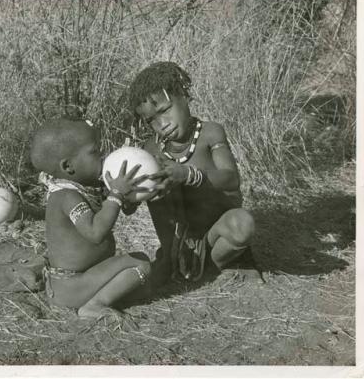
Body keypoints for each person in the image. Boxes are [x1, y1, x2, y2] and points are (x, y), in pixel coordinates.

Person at [128, 61, 262, 286]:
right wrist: (126, 194)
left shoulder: (210, 133)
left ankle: (226, 261)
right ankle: (176, 262)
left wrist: (189, 175)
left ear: (183, 96)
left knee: (243, 224)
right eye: (151, 120)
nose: (162, 123)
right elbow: (133, 203)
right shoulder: (150, 150)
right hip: (179, 243)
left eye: (164, 110)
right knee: (157, 186)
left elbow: (231, 179)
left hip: (216, 235)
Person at [30, 118, 152, 318]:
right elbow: (96, 233)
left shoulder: (77, 189)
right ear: (68, 166)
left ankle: (97, 297)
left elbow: (114, 211)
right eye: (94, 152)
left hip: (77, 282)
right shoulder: (67, 196)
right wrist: (116, 195)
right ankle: (95, 305)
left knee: (144, 285)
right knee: (141, 264)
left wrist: (127, 198)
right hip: (72, 285)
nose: (102, 156)